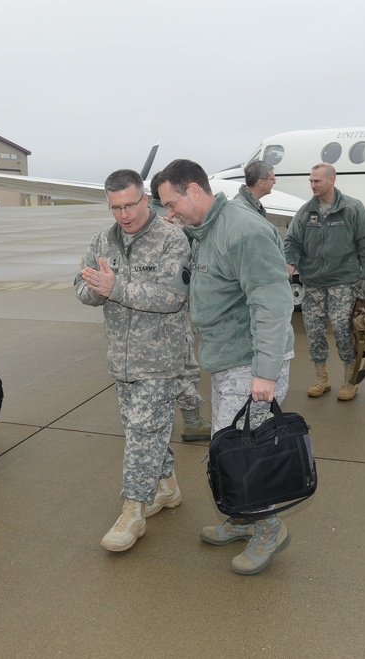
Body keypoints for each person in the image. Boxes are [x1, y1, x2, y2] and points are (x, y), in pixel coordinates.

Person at [157, 159, 295, 576]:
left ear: (194, 190)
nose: (169, 212)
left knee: (243, 451)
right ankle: (242, 518)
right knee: (228, 446)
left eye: (171, 203)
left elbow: (272, 302)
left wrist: (266, 372)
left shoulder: (242, 230)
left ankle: (269, 528)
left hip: (251, 361)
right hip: (226, 359)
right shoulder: (205, 230)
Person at [75, 169, 191, 552]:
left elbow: (172, 296)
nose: (123, 215)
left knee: (142, 433)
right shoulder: (102, 240)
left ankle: (132, 512)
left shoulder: (171, 239)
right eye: (115, 208)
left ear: (145, 198)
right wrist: (95, 290)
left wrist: (116, 287)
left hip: (159, 358)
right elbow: (81, 285)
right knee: (144, 431)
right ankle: (167, 487)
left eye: (129, 205)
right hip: (121, 360)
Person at [284, 163, 365, 401]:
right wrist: (290, 262)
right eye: (311, 181)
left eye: (317, 181)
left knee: (344, 332)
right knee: (314, 333)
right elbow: (293, 241)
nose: (313, 185)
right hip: (313, 283)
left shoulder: (352, 208)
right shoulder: (306, 212)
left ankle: (349, 380)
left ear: (332, 180)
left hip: (343, 282)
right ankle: (321, 378)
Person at [149, 171, 211, 441]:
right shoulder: (167, 232)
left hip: (157, 314)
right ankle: (193, 422)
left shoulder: (153, 228)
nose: (171, 212)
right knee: (183, 367)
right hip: (171, 314)